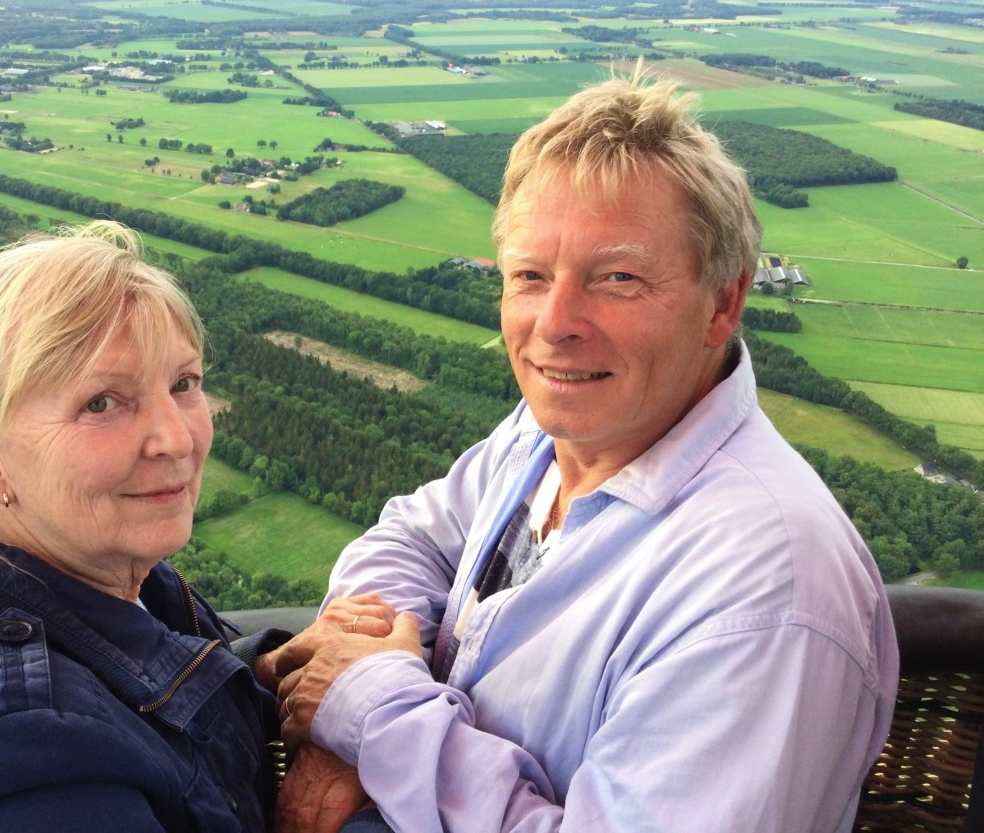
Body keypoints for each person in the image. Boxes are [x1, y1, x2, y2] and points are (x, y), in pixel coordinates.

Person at [264, 69, 900, 832]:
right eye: (530, 276)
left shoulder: (765, 593)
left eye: (618, 278)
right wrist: (370, 664)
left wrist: (373, 716)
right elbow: (414, 536)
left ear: (723, 301)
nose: (556, 323)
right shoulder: (558, 428)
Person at [0, 222, 284, 831]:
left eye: (183, 383)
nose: (176, 438)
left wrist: (281, 668)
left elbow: (139, 695)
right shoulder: (25, 762)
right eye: (102, 402)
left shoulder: (58, 571)